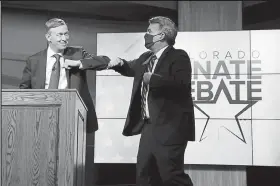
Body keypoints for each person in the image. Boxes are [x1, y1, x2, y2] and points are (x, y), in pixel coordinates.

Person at [107, 16, 195, 186]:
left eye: (149, 31)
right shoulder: (146, 58)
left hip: (171, 127)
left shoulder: (178, 56)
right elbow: (130, 67)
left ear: (161, 36)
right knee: (144, 176)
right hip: (149, 128)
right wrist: (118, 63)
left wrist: (153, 79)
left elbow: (182, 84)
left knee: (171, 176)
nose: (145, 35)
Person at [19, 18, 110, 133]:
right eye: (59, 35)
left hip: (72, 114)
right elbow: (24, 90)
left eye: (66, 34)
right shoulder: (34, 60)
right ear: (48, 37)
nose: (64, 39)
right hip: (41, 116)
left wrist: (79, 63)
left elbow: (104, 61)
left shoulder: (77, 53)